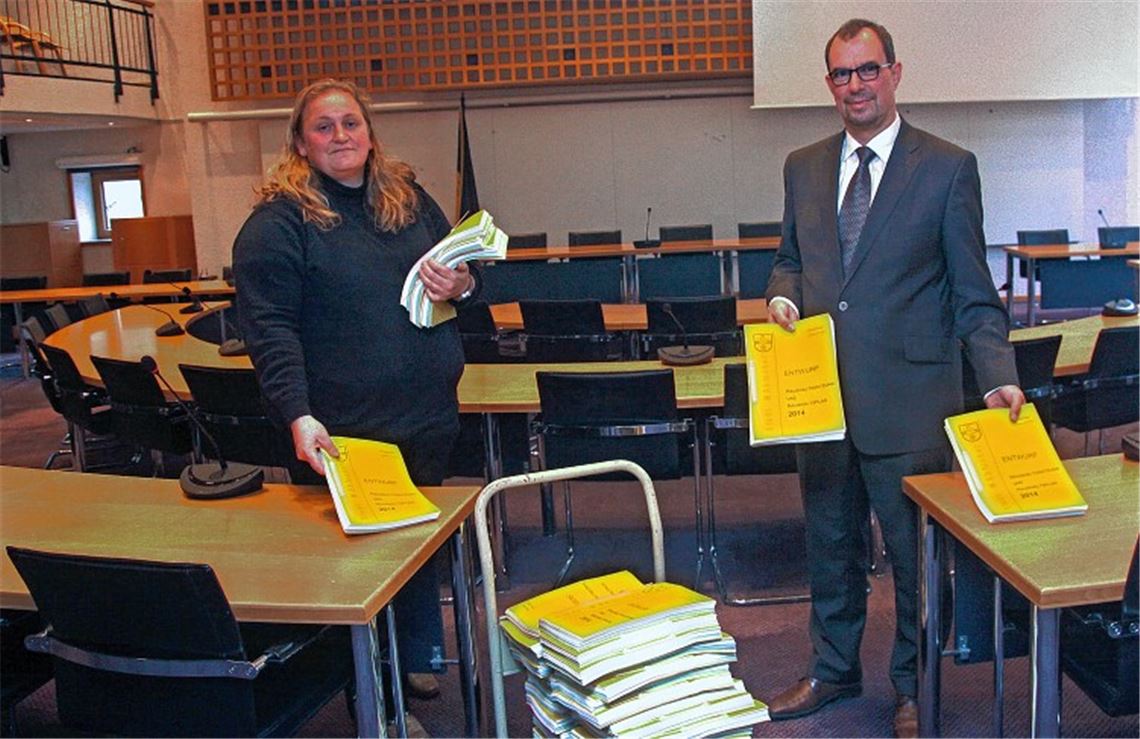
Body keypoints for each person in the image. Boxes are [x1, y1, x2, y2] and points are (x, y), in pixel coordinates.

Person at [762, 19, 1024, 739]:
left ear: (896, 73)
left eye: (868, 70)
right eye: (843, 75)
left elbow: (974, 293)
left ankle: (913, 685)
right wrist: (782, 292)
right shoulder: (802, 165)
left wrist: (997, 374)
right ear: (829, 85)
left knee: (913, 560)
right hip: (818, 404)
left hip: (909, 403)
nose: (856, 86)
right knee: (830, 545)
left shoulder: (946, 167)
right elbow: (789, 257)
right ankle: (832, 669)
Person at [232, 78, 477, 722]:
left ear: (370, 132)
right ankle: (379, 704)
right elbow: (270, 327)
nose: (341, 136)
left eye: (351, 123)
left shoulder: (408, 198)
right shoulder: (278, 222)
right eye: (324, 126)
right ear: (300, 142)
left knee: (417, 546)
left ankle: (417, 656)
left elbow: (462, 269)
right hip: (344, 431)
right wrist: (296, 412)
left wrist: (465, 280)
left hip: (425, 415)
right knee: (360, 572)